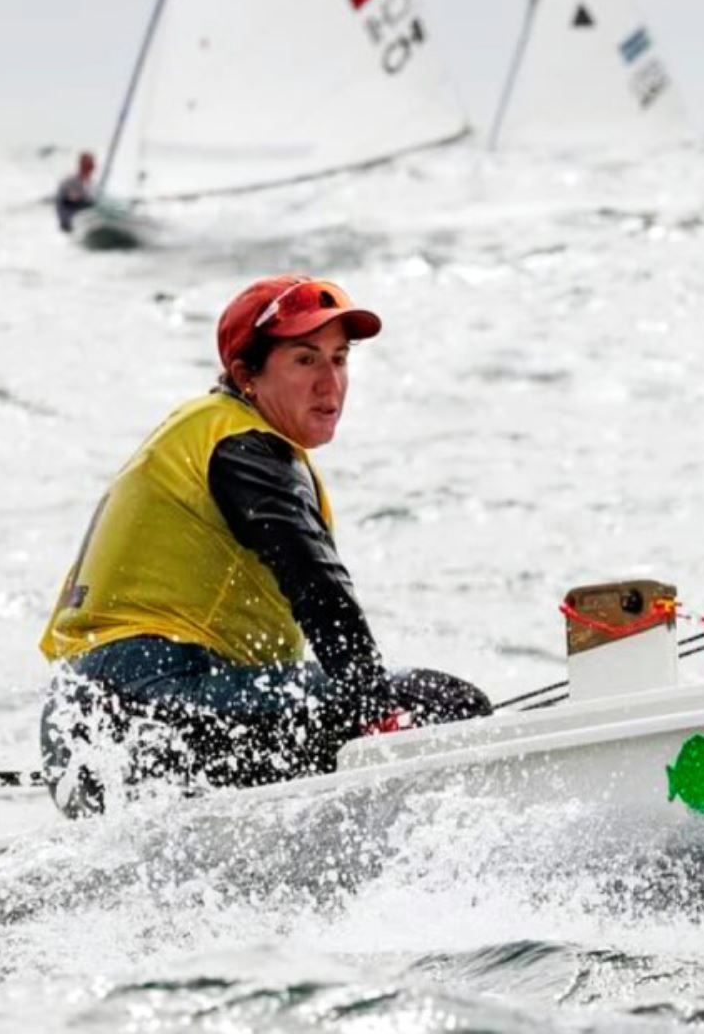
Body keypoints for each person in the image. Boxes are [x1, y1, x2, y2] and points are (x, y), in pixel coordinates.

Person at [38, 274, 490, 816]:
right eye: (305, 360)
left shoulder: (202, 434)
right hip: (153, 703)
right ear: (246, 375)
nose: (331, 383)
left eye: (340, 359)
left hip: (87, 730)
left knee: (345, 714)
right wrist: (377, 706)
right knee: (443, 704)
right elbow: (318, 585)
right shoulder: (244, 446)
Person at [55, 151, 96, 233]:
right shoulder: (71, 181)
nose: (89, 168)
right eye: (86, 165)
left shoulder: (91, 184)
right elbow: (72, 200)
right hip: (68, 225)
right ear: (80, 165)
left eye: (90, 165)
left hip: (81, 223)